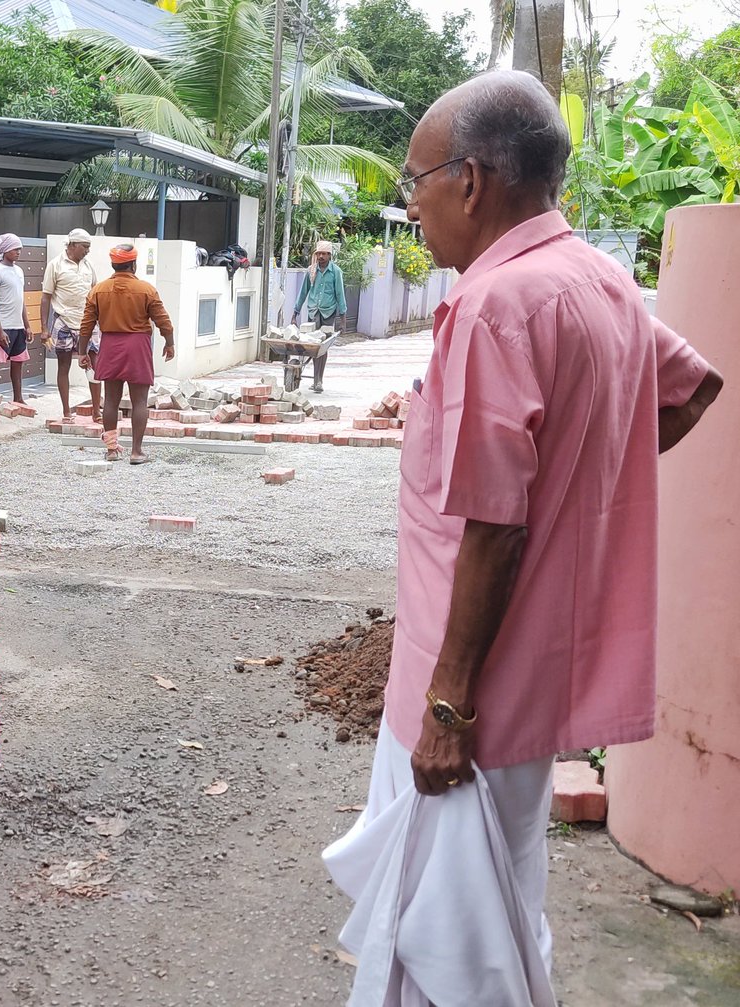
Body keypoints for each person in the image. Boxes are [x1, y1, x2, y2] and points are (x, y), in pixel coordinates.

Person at [321, 71, 723, 1006]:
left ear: (469, 181)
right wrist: (588, 481)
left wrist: (449, 707)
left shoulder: (498, 304)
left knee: (442, 931)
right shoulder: (601, 279)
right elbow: (692, 392)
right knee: (494, 892)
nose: (410, 205)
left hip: (469, 685)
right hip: (529, 674)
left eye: (413, 180)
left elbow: (495, 525)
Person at [78, 243, 174, 465]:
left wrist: (82, 352)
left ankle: (112, 450)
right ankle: (136, 452)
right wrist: (169, 343)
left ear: (114, 264)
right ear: (133, 264)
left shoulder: (98, 290)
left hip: (110, 345)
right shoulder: (146, 290)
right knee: (139, 401)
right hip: (137, 345)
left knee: (111, 399)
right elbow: (163, 321)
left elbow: (86, 325)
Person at [41, 227, 101, 421]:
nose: (87, 250)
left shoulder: (88, 266)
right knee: (63, 366)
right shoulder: (55, 265)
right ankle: (67, 411)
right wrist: (44, 328)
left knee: (93, 366)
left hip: (87, 322)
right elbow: (46, 297)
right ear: (73, 245)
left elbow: (95, 293)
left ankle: (96, 410)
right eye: (85, 246)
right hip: (63, 321)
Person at [0, 232, 33, 403]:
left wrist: (27, 325)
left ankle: (18, 398)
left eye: (20, 249)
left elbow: (21, 300)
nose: (18, 252)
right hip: (3, 326)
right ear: (6, 249)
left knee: (18, 362)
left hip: (18, 327)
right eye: (15, 248)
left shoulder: (19, 271)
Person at [291, 239, 346, 392]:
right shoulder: (311, 271)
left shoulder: (336, 272)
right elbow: (303, 293)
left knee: (323, 347)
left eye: (324, 254)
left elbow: (340, 294)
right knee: (314, 346)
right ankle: (315, 379)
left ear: (329, 255)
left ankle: (318, 380)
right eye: (319, 253)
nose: (321, 256)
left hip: (329, 313)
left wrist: (343, 318)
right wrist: (295, 313)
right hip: (313, 312)